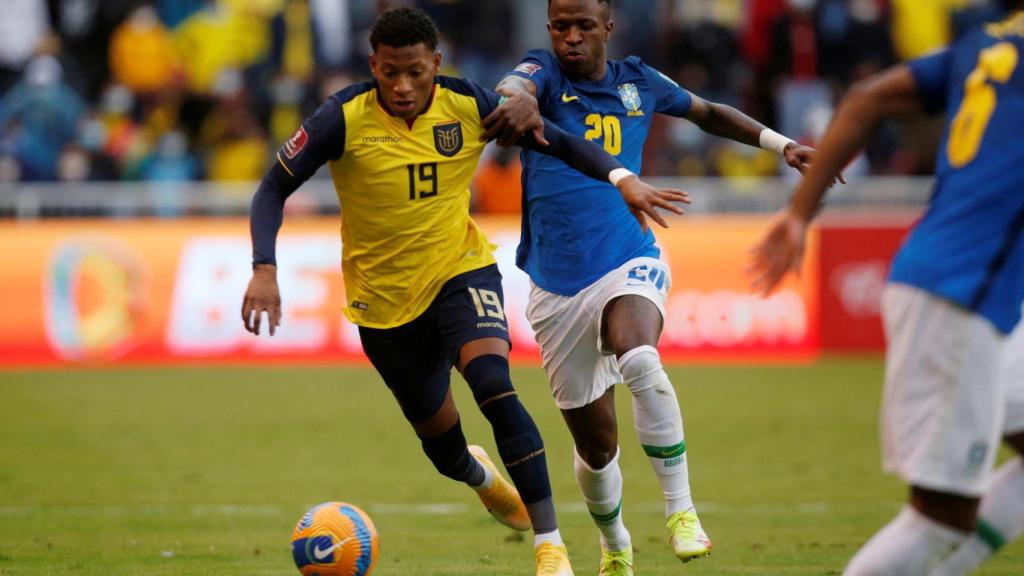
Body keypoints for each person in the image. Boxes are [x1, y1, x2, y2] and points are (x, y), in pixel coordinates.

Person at [240, 7, 688, 576]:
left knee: (493, 385)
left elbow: (561, 142)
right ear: (374, 66)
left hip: (461, 272)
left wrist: (622, 178)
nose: (403, 86)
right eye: (390, 73)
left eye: (415, 72)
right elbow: (272, 188)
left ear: (436, 63)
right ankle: (478, 476)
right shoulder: (342, 117)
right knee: (444, 450)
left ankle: (549, 546)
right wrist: (264, 267)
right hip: (383, 305)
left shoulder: (468, 103)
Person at [480, 0, 819, 573]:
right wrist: (514, 98)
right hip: (556, 287)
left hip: (628, 258)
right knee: (597, 449)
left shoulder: (638, 81)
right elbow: (516, 85)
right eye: (561, 26)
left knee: (639, 354)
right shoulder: (544, 71)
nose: (570, 37)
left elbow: (707, 112)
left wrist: (779, 143)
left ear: (607, 29)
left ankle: (681, 510)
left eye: (584, 26)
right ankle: (615, 544)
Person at [748, 3, 1024, 575]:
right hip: (960, 293)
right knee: (941, 517)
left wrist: (799, 214)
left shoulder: (988, 43)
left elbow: (866, 97)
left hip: (965, 286)